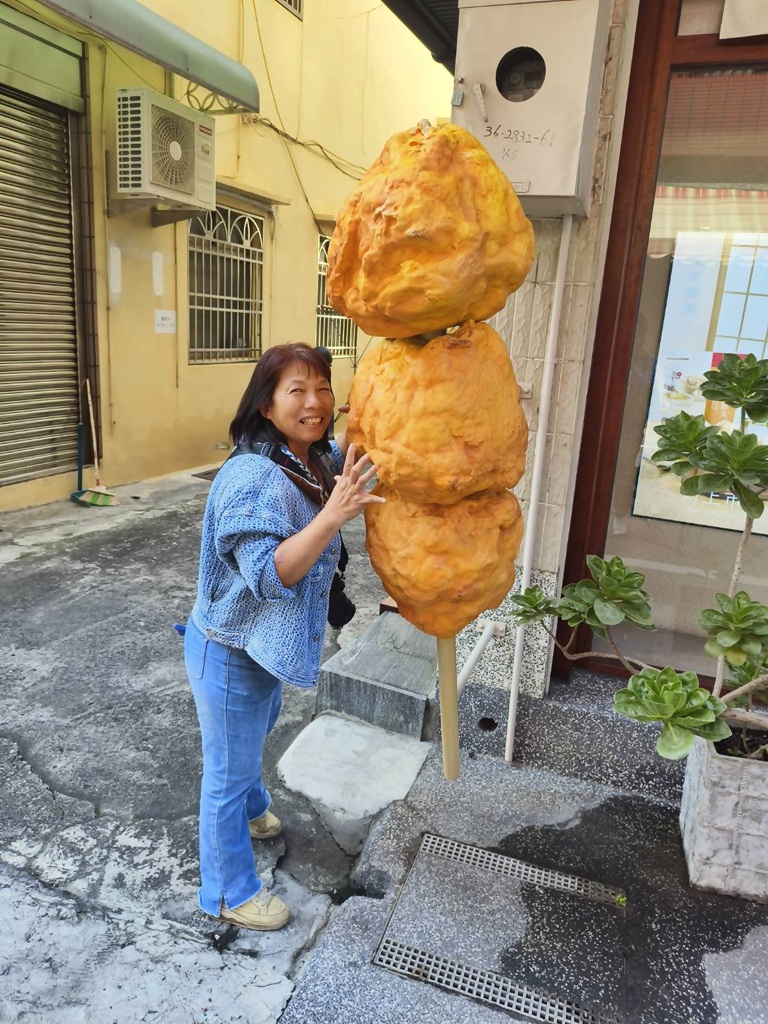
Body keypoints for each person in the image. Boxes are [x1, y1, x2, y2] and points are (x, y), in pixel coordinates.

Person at [184, 343, 383, 932]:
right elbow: (271, 576)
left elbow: (349, 456)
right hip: (228, 651)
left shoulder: (312, 455)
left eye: (322, 388)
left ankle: (251, 809)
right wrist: (332, 516)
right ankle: (226, 892)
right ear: (266, 405)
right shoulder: (252, 477)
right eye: (296, 390)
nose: (314, 402)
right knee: (224, 769)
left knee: (249, 738)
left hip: (260, 648)